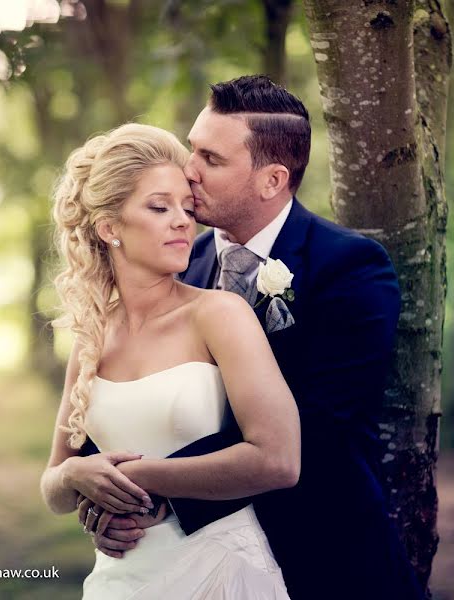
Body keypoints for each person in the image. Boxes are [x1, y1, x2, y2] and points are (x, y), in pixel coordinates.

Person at [79, 76, 424, 600]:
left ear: (272, 180)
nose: (188, 169)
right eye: (192, 148)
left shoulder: (348, 268)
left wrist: (153, 490)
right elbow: (121, 401)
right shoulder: (177, 263)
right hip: (175, 561)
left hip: (321, 556)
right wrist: (102, 499)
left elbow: (324, 427)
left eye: (211, 159)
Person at [39, 122, 301, 599]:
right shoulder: (91, 336)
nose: (184, 220)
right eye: (160, 207)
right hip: (120, 579)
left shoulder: (219, 314)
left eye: (187, 206)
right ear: (109, 228)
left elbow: (278, 460)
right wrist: (77, 475)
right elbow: (54, 487)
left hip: (221, 570)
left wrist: (134, 479)